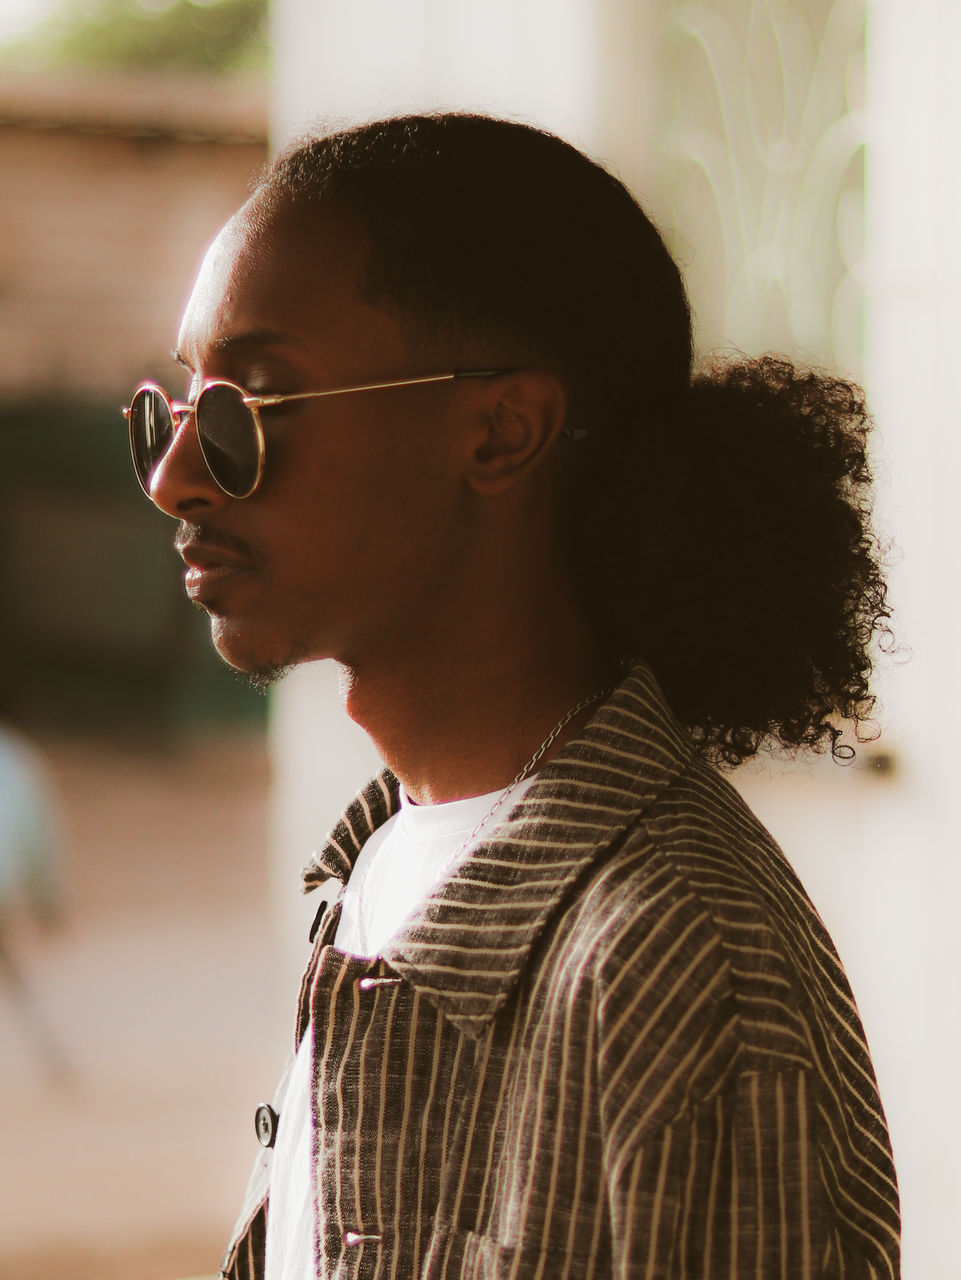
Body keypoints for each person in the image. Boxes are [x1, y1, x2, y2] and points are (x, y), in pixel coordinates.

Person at [125, 114, 900, 1279]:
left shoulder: (681, 970)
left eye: (251, 409)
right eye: (177, 409)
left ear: (498, 431)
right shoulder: (380, 864)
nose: (176, 477)